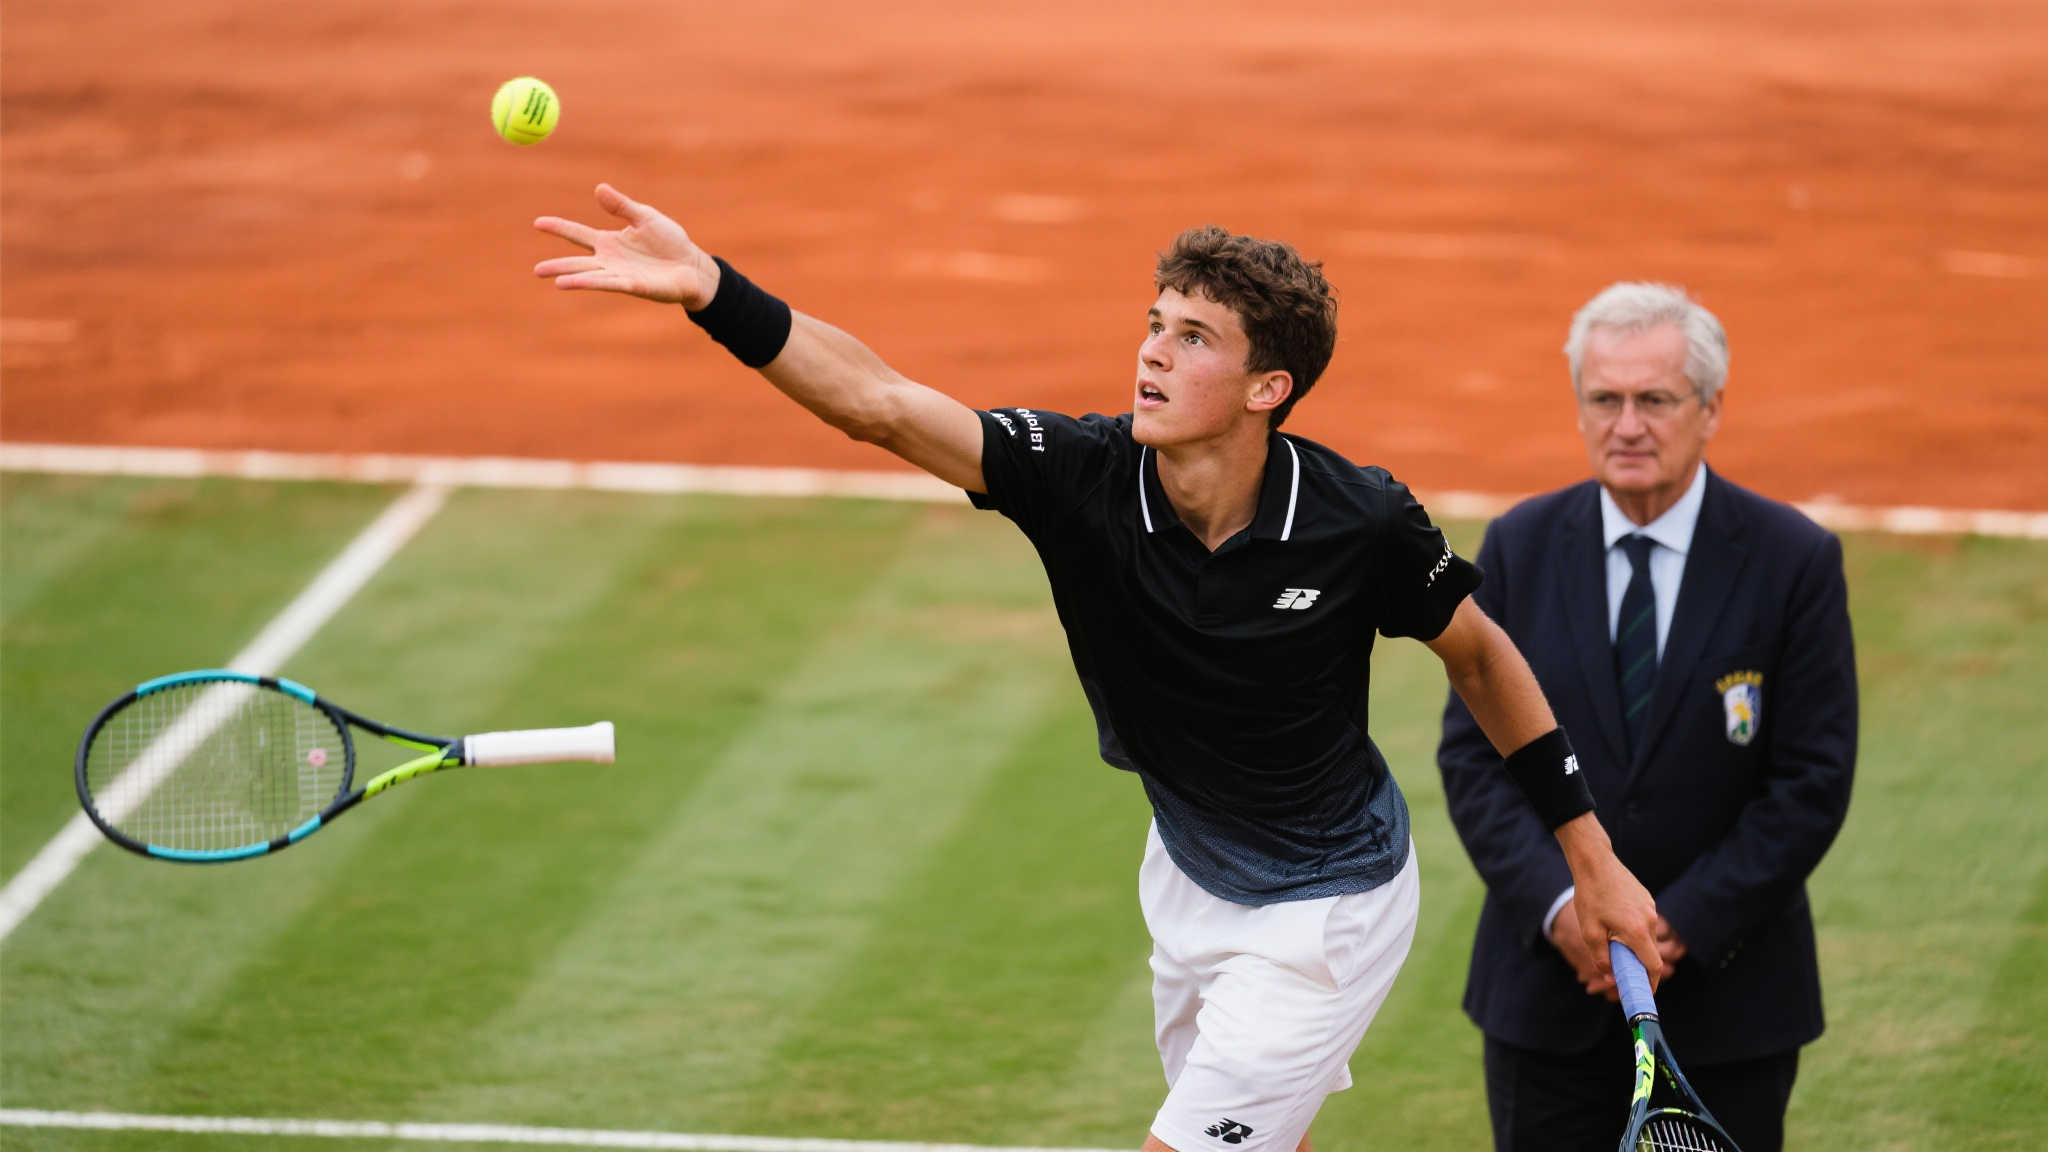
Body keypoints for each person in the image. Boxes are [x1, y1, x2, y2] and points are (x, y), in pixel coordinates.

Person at [534, 184, 1662, 1152]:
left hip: (1327, 910)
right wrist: (713, 292)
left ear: (1267, 388)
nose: (1152, 352)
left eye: (1193, 338)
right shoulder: (1079, 474)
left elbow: (1479, 655)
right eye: (1154, 323)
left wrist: (1592, 857)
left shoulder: (1357, 522)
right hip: (1186, 871)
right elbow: (878, 404)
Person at [1435, 282, 1857, 1152]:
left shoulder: (1793, 560)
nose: (1627, 425)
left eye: (1655, 400)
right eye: (1605, 400)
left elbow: (1811, 780)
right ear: (1580, 408)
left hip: (1728, 1005)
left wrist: (1681, 924)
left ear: (1710, 409)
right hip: (1546, 1002)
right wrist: (1565, 908)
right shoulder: (1517, 545)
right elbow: (1474, 761)